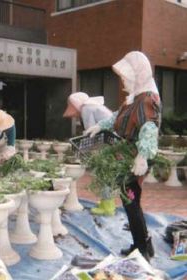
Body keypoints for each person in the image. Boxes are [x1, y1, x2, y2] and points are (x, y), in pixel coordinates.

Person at [85, 51, 160, 261]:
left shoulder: (147, 100)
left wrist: (143, 156)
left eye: (126, 78)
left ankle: (142, 250)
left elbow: (149, 128)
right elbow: (117, 118)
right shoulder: (133, 100)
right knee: (131, 202)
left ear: (138, 75)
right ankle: (144, 245)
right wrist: (100, 126)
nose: (123, 82)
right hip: (131, 155)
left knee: (131, 201)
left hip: (137, 158)